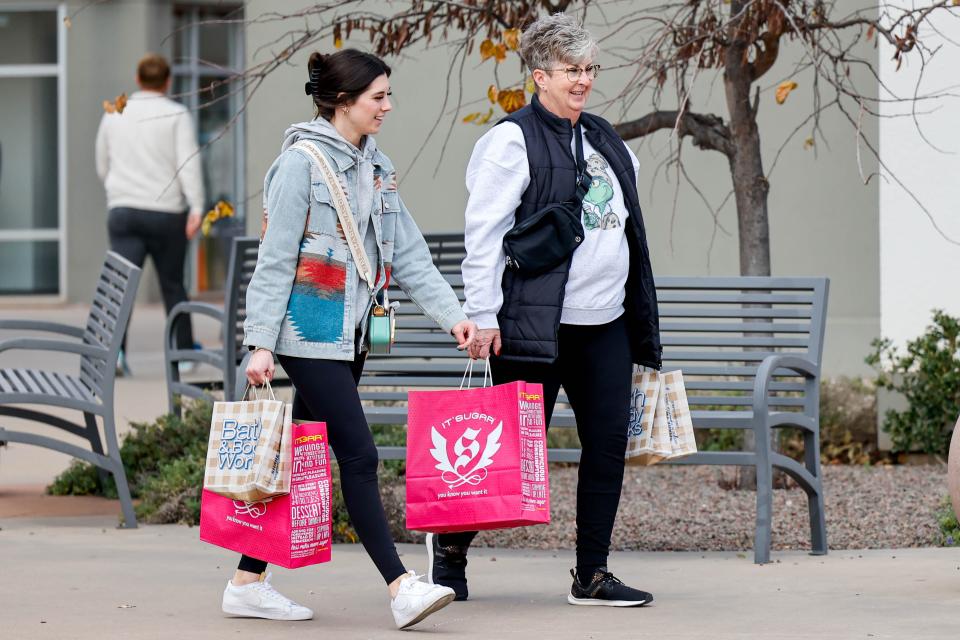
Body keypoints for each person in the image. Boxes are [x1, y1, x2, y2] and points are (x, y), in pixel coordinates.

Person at [235, 49, 477, 629]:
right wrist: (260, 341)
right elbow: (274, 260)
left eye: (388, 95)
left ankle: (246, 582)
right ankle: (401, 587)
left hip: (354, 334)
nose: (388, 106)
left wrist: (453, 316)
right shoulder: (299, 165)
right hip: (306, 335)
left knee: (299, 459)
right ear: (343, 102)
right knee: (359, 455)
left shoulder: (377, 167)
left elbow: (411, 253)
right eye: (378, 97)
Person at [430, 13, 662, 607]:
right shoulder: (510, 141)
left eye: (589, 69)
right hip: (536, 325)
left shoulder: (608, 138)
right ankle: (450, 552)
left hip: (603, 322)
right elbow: (483, 234)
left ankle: (591, 573)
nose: (583, 81)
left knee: (607, 444)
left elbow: (627, 228)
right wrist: (483, 316)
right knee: (500, 446)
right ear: (540, 76)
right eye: (571, 71)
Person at [95, 53, 203, 376]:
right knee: (173, 284)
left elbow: (102, 163)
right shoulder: (176, 114)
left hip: (124, 210)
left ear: (138, 79)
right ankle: (183, 354)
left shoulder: (115, 112)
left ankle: (114, 355)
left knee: (121, 285)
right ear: (168, 81)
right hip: (167, 212)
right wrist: (196, 205)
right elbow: (189, 163)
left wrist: (119, 191)